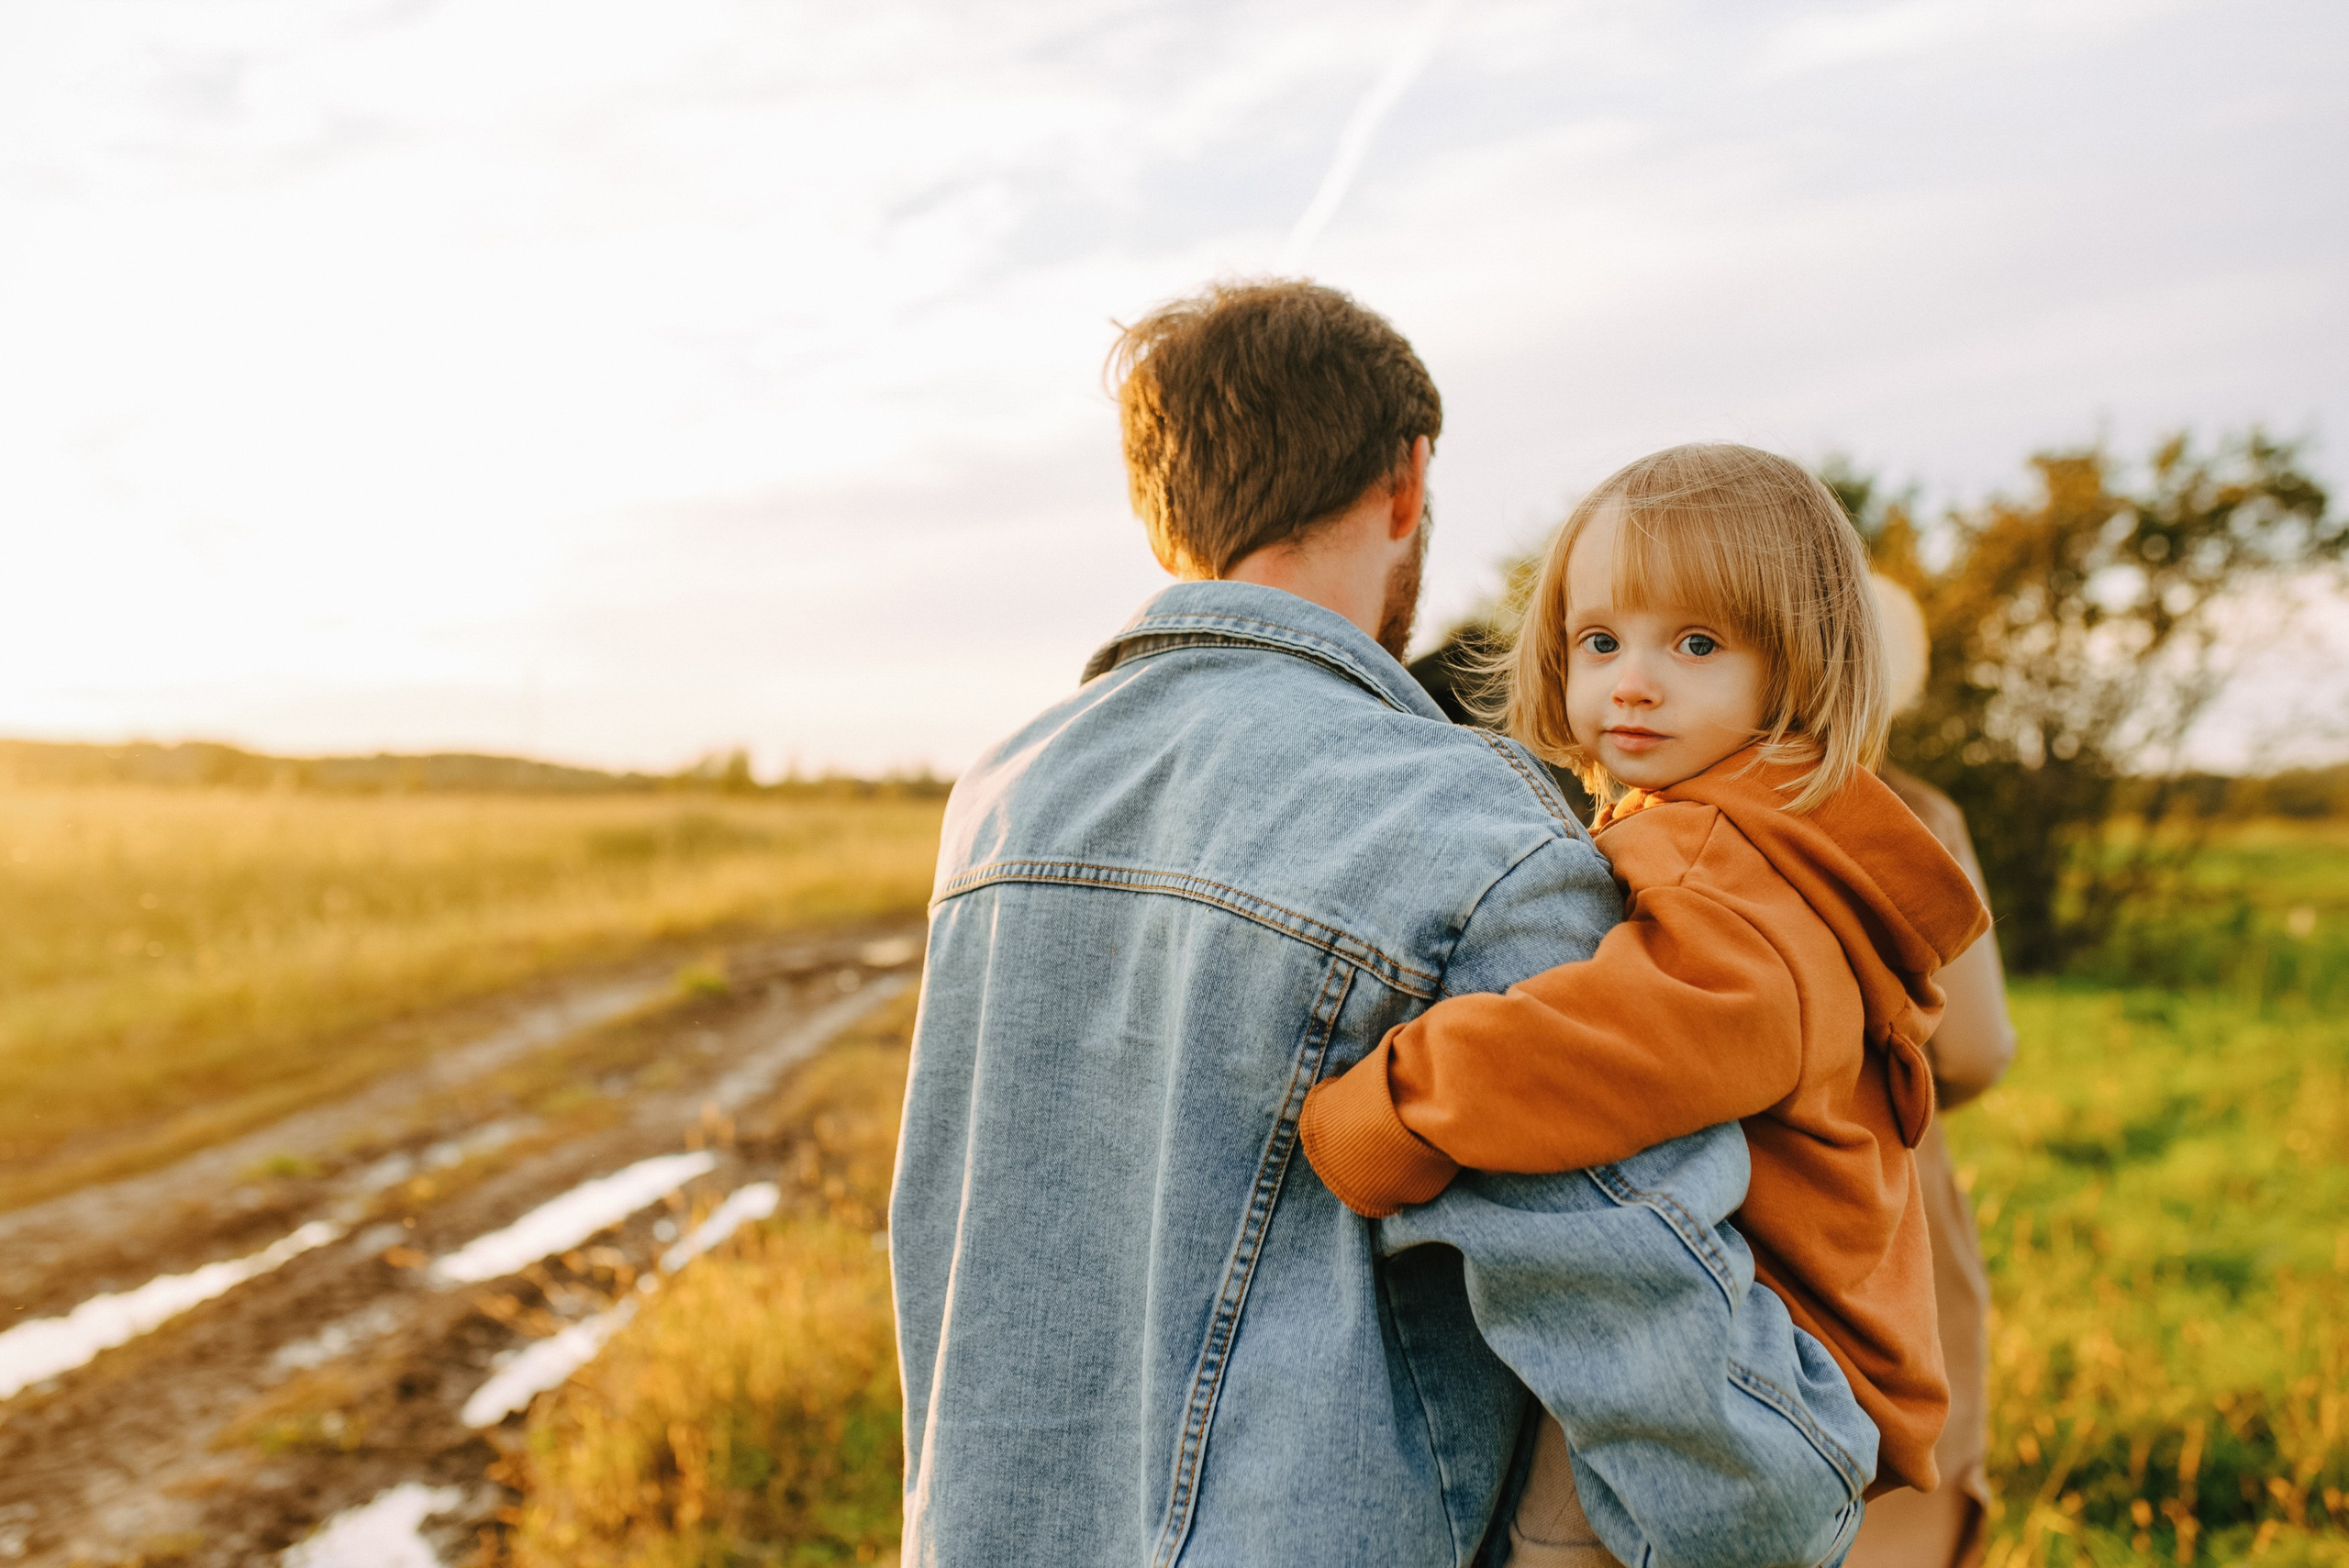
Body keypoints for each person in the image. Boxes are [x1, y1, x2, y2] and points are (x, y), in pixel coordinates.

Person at [890, 285, 1876, 1568]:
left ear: (1159, 507)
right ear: (1406, 481)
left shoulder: (1003, 791)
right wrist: (1803, 1481)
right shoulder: (1466, 829)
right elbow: (1657, 1354)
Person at [1301, 444, 1989, 1563]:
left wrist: (1390, 1105)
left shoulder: (1725, 856)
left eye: (1698, 644)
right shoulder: (1768, 836)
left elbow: (1611, 1042)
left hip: (1740, 1372)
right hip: (1771, 1367)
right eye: (1600, 639)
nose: (1632, 679)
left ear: (1800, 665)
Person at [1846, 577, 2018, 1568]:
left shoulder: (1656, 797)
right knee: (1907, 1479)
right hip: (1886, 1184)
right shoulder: (1913, 811)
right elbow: (1977, 1045)